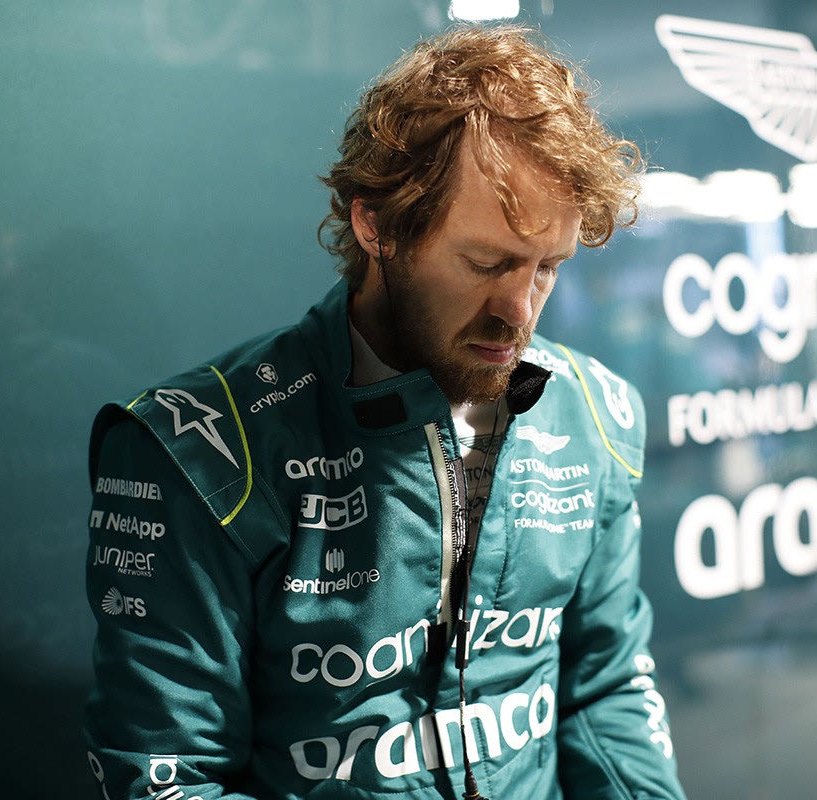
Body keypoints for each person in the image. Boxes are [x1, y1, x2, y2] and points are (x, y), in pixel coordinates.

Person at [84, 24, 686, 800]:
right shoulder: (198, 453)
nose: (519, 313)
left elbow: (605, 694)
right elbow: (167, 776)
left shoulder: (592, 416)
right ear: (376, 226)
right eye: (485, 262)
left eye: (547, 268)